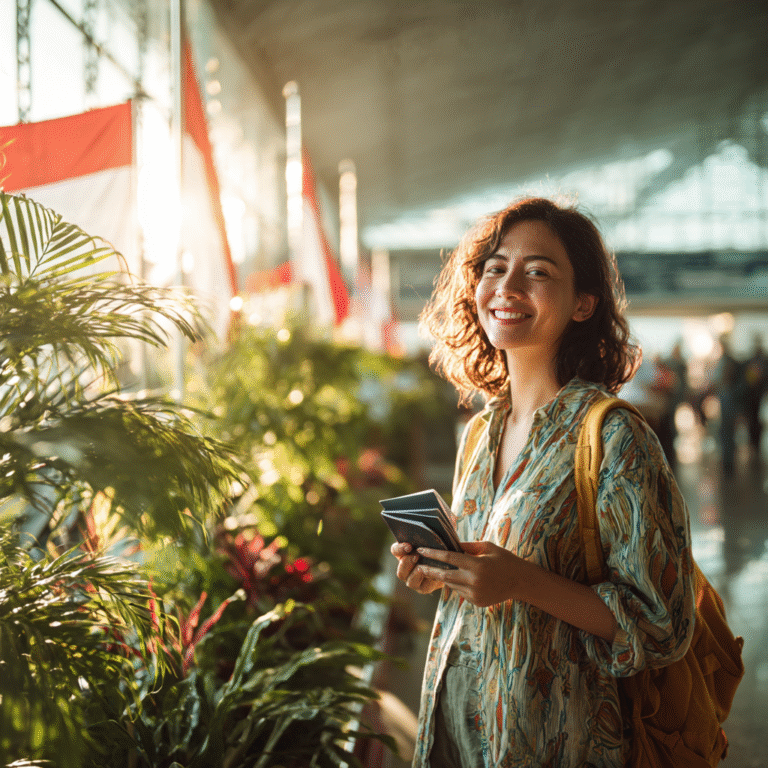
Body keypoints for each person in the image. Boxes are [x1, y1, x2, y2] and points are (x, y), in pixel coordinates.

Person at [390, 197, 695, 767]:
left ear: (583, 303)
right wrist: (444, 574)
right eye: (495, 267)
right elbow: (489, 583)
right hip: (460, 737)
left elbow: (663, 626)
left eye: (538, 272)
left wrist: (520, 581)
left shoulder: (614, 438)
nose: (507, 286)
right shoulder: (481, 433)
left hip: (563, 746)